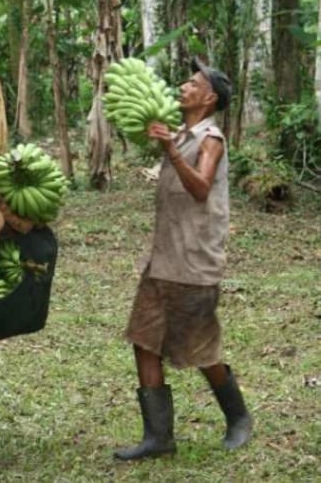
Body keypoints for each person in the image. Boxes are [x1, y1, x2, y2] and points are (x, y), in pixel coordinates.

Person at [114, 57, 253, 461]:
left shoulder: (211, 138)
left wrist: (171, 150)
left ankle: (239, 416)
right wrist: (168, 141)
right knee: (143, 341)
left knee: (200, 351)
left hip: (194, 264)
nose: (182, 87)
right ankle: (159, 437)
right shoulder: (179, 132)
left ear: (208, 99)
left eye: (191, 84)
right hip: (162, 261)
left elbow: (200, 187)